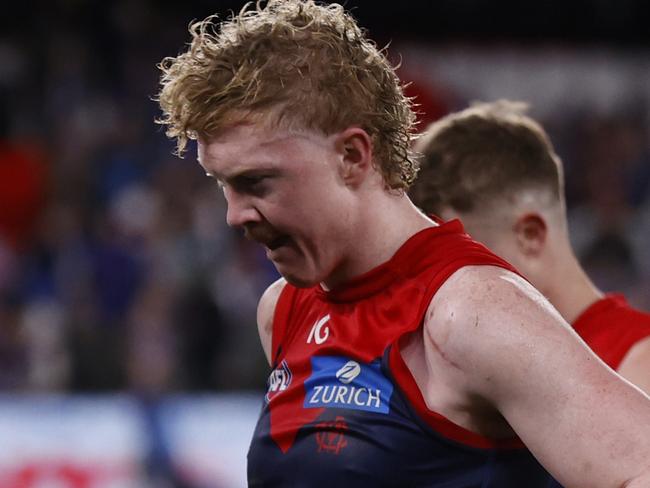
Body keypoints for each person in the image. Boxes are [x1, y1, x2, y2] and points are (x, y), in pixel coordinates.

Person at [156, 2, 650, 486]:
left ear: (352, 156)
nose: (234, 215)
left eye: (257, 183)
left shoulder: (470, 313)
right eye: (222, 184)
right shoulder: (284, 309)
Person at [409, 100, 650, 396]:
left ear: (530, 236)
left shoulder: (637, 367)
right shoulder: (461, 371)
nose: (442, 289)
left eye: (460, 262)